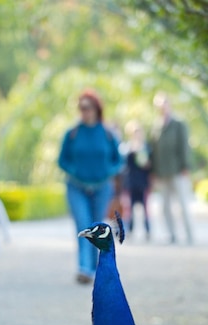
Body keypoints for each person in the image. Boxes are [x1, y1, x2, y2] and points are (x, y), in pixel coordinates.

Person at [58, 89, 124, 284]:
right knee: (83, 225)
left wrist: (107, 172)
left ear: (96, 109)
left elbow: (118, 161)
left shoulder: (108, 134)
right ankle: (84, 268)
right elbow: (62, 160)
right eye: (81, 108)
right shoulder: (72, 134)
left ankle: (96, 268)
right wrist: (75, 171)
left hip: (102, 187)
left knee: (97, 227)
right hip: (76, 186)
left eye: (88, 107)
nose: (84, 111)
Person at [150, 92, 193, 244]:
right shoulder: (156, 126)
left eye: (164, 104)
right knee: (165, 206)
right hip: (162, 173)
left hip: (177, 171)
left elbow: (184, 146)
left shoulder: (178, 123)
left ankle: (189, 235)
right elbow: (154, 150)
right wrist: (154, 171)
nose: (162, 108)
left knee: (182, 204)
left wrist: (185, 166)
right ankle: (172, 234)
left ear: (169, 104)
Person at [123, 120, 152, 239]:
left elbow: (149, 165)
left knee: (145, 208)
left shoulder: (146, 147)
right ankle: (129, 230)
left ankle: (148, 230)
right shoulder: (126, 147)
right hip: (130, 182)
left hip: (143, 181)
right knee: (129, 208)